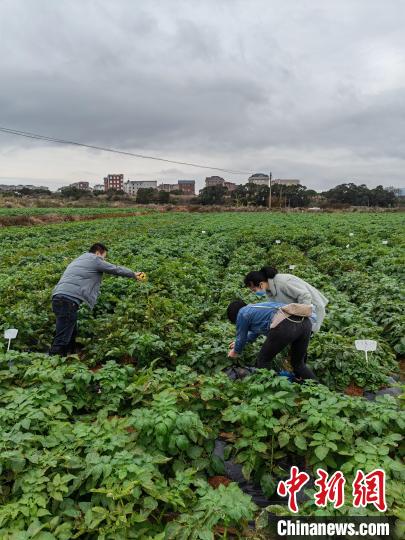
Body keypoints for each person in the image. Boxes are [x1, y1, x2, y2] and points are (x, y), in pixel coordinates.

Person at [49, 242, 144, 356]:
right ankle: (53, 361)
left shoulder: (79, 259)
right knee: (63, 338)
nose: (104, 260)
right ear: (98, 252)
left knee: (70, 331)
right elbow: (115, 269)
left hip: (58, 297)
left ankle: (69, 356)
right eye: (104, 257)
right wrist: (134, 274)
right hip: (68, 300)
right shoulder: (95, 259)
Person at [226, 300, 317, 381]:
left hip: (286, 325)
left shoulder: (242, 313)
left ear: (235, 316)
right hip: (305, 323)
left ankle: (268, 389)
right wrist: (240, 343)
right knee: (298, 364)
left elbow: (240, 337)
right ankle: (320, 391)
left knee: (263, 360)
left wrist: (235, 351)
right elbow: (254, 333)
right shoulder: (257, 309)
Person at [244, 266, 328, 332]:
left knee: (306, 336)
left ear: (261, 284)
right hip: (299, 314)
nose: (255, 293)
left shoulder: (283, 282)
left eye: (254, 290)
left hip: (314, 311)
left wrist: (301, 319)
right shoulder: (269, 291)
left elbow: (305, 296)